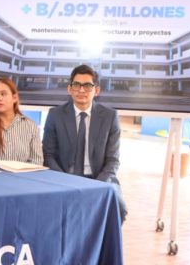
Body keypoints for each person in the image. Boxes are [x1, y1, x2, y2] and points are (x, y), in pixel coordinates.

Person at [42, 64, 128, 222]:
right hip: (64, 177)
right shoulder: (55, 115)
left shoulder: (110, 116)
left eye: (87, 86)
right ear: (69, 89)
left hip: (99, 178)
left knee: (119, 208)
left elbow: (113, 160)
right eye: (76, 85)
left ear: (97, 90)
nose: (81, 90)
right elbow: (48, 155)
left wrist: (97, 185)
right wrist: (64, 181)